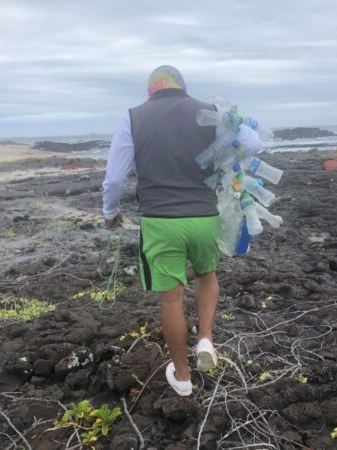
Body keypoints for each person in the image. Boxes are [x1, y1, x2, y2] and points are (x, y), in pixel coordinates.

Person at [102, 65, 260, 396]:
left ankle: (184, 377)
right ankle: (205, 338)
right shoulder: (210, 111)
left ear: (151, 91)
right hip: (204, 216)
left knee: (171, 297)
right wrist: (226, 162)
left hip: (161, 221)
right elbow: (250, 141)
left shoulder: (133, 117)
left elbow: (116, 179)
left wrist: (110, 212)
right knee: (207, 276)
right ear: (183, 87)